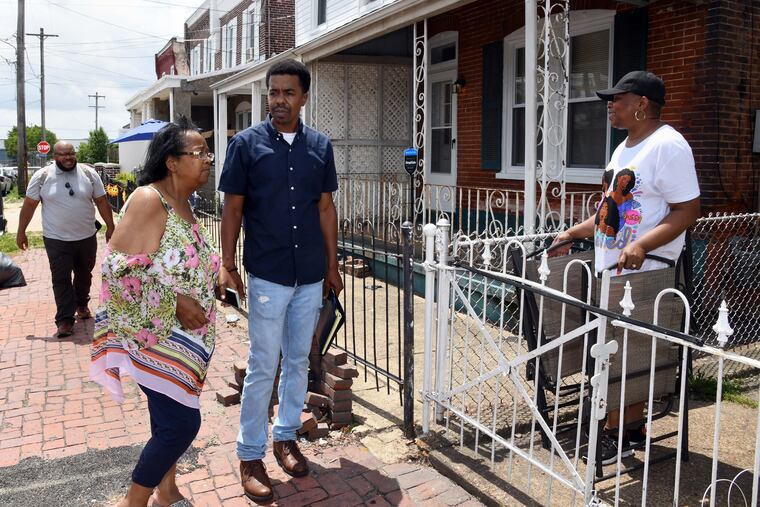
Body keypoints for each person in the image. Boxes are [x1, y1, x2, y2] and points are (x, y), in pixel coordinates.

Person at [551, 71, 700, 464]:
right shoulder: (624, 149)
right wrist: (572, 231)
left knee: (630, 358)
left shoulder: (669, 145)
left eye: (618, 99)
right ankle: (630, 428)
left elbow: (688, 211)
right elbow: (609, 210)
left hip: (647, 270)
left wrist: (641, 245)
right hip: (612, 268)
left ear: (642, 105)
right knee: (617, 354)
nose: (609, 105)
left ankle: (615, 433)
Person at [217, 58, 343, 503]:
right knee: (263, 364)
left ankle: (285, 436)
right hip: (267, 273)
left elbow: (325, 208)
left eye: (288, 93)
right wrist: (226, 262)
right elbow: (232, 208)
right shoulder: (246, 146)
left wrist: (332, 265)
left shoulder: (319, 147)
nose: (279, 101)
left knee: (298, 361)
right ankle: (250, 455)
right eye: (273, 93)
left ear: (304, 97)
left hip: (309, 274)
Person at [90, 117, 220, 507]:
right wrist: (177, 302)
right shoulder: (150, 199)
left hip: (185, 341)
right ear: (172, 162)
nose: (208, 160)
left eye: (207, 152)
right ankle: (134, 502)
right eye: (199, 153)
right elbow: (116, 269)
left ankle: (167, 489)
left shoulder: (186, 203)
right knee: (181, 425)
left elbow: (177, 260)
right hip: (155, 337)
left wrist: (218, 272)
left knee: (166, 419)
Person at [16, 141, 115, 337]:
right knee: (60, 279)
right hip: (56, 239)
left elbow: (102, 201)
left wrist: (111, 226)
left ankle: (82, 304)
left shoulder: (89, 174)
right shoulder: (43, 176)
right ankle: (64, 320)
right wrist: (21, 231)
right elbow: (29, 205)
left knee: (84, 274)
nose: (68, 158)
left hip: (86, 236)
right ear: (55, 157)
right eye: (63, 154)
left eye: (71, 153)